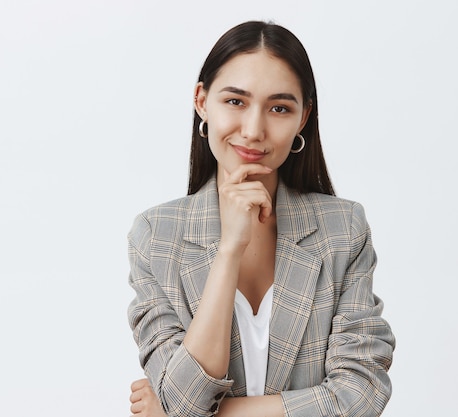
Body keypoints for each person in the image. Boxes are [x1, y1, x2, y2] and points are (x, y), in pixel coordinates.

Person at [126, 20, 395, 417]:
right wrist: (230, 250)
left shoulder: (343, 229)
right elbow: (184, 402)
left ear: (303, 118)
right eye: (235, 101)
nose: (253, 130)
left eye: (279, 108)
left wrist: (217, 414)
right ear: (202, 101)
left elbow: (360, 395)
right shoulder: (155, 236)